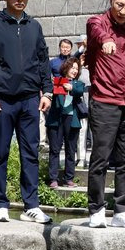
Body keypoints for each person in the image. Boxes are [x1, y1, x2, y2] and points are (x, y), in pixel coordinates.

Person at [0, 0, 53, 223]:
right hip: (2, 99)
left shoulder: (35, 26)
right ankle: (0, 203)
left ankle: (31, 205)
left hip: (30, 98)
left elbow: (43, 60)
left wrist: (48, 91)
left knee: (30, 152)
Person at [85, 0, 125, 229]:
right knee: (100, 157)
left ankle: (122, 209)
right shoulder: (97, 23)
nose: (123, 10)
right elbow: (96, 29)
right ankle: (96, 209)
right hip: (105, 100)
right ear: (111, 0)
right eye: (119, 4)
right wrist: (107, 40)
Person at [46, 57, 85, 189]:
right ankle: (53, 179)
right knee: (54, 149)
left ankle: (69, 178)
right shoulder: (56, 81)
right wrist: (55, 85)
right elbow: (49, 91)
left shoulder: (78, 84)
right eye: (72, 68)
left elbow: (79, 90)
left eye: (76, 69)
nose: (74, 71)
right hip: (56, 119)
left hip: (71, 119)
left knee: (71, 150)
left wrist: (71, 87)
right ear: (66, 68)